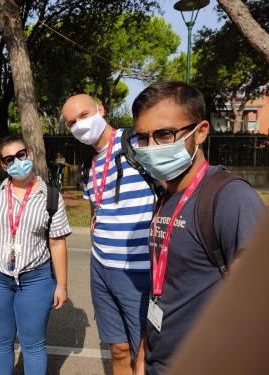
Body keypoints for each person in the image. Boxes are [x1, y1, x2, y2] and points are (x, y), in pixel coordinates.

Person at [130, 80, 265, 375]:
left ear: (201, 131)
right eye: (142, 137)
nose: (151, 148)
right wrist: (143, 353)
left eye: (164, 134)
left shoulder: (231, 198)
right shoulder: (166, 195)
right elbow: (163, 289)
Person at [62, 95, 156, 375]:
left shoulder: (137, 143)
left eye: (84, 115)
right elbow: (96, 209)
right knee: (117, 349)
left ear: (101, 110)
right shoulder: (89, 165)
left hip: (139, 269)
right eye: (71, 123)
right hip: (101, 268)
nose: (79, 125)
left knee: (145, 353)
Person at [0, 136, 71, 374]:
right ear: (3, 165)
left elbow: (57, 244)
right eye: (9, 159)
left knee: (33, 345)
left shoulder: (51, 196)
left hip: (36, 279)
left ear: (30, 154)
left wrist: (61, 285)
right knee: (1, 341)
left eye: (21, 155)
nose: (17, 162)